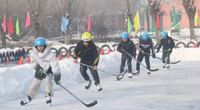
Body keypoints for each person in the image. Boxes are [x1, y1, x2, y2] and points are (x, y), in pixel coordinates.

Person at [20, 37, 61, 106]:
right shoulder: (33, 54)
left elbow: (55, 65)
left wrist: (57, 77)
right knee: (35, 83)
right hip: (40, 69)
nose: (40, 48)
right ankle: (29, 97)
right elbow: (33, 62)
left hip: (48, 69)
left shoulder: (50, 54)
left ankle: (48, 95)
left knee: (48, 80)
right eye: (38, 46)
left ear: (44, 46)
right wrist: (38, 68)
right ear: (36, 47)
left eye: (41, 46)